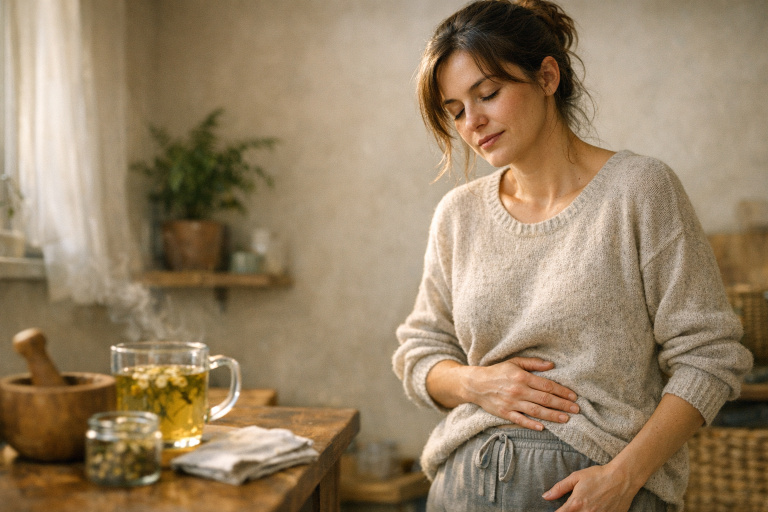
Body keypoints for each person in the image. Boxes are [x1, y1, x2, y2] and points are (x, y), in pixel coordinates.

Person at [392, 1, 753, 511]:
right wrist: (477, 383)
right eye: (455, 111)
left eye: (488, 94)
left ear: (546, 76)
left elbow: (711, 356)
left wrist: (623, 478)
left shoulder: (640, 190)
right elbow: (418, 353)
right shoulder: (458, 214)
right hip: (460, 489)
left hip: (603, 493)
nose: (472, 122)